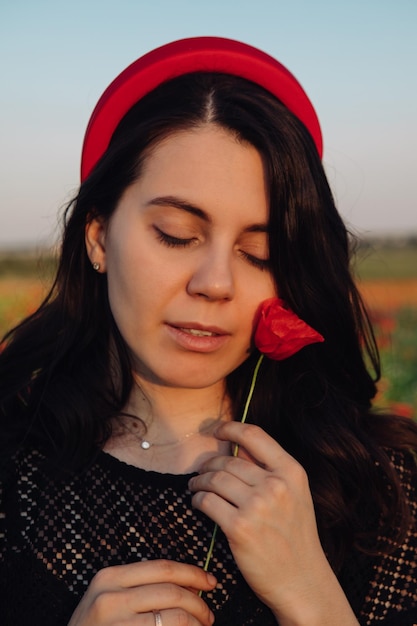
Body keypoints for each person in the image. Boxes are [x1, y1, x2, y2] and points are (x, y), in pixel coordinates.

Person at [0, 36, 416, 626]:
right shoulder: (14, 473)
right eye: (175, 234)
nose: (215, 283)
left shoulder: (384, 487)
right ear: (98, 237)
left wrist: (310, 595)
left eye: (260, 252)